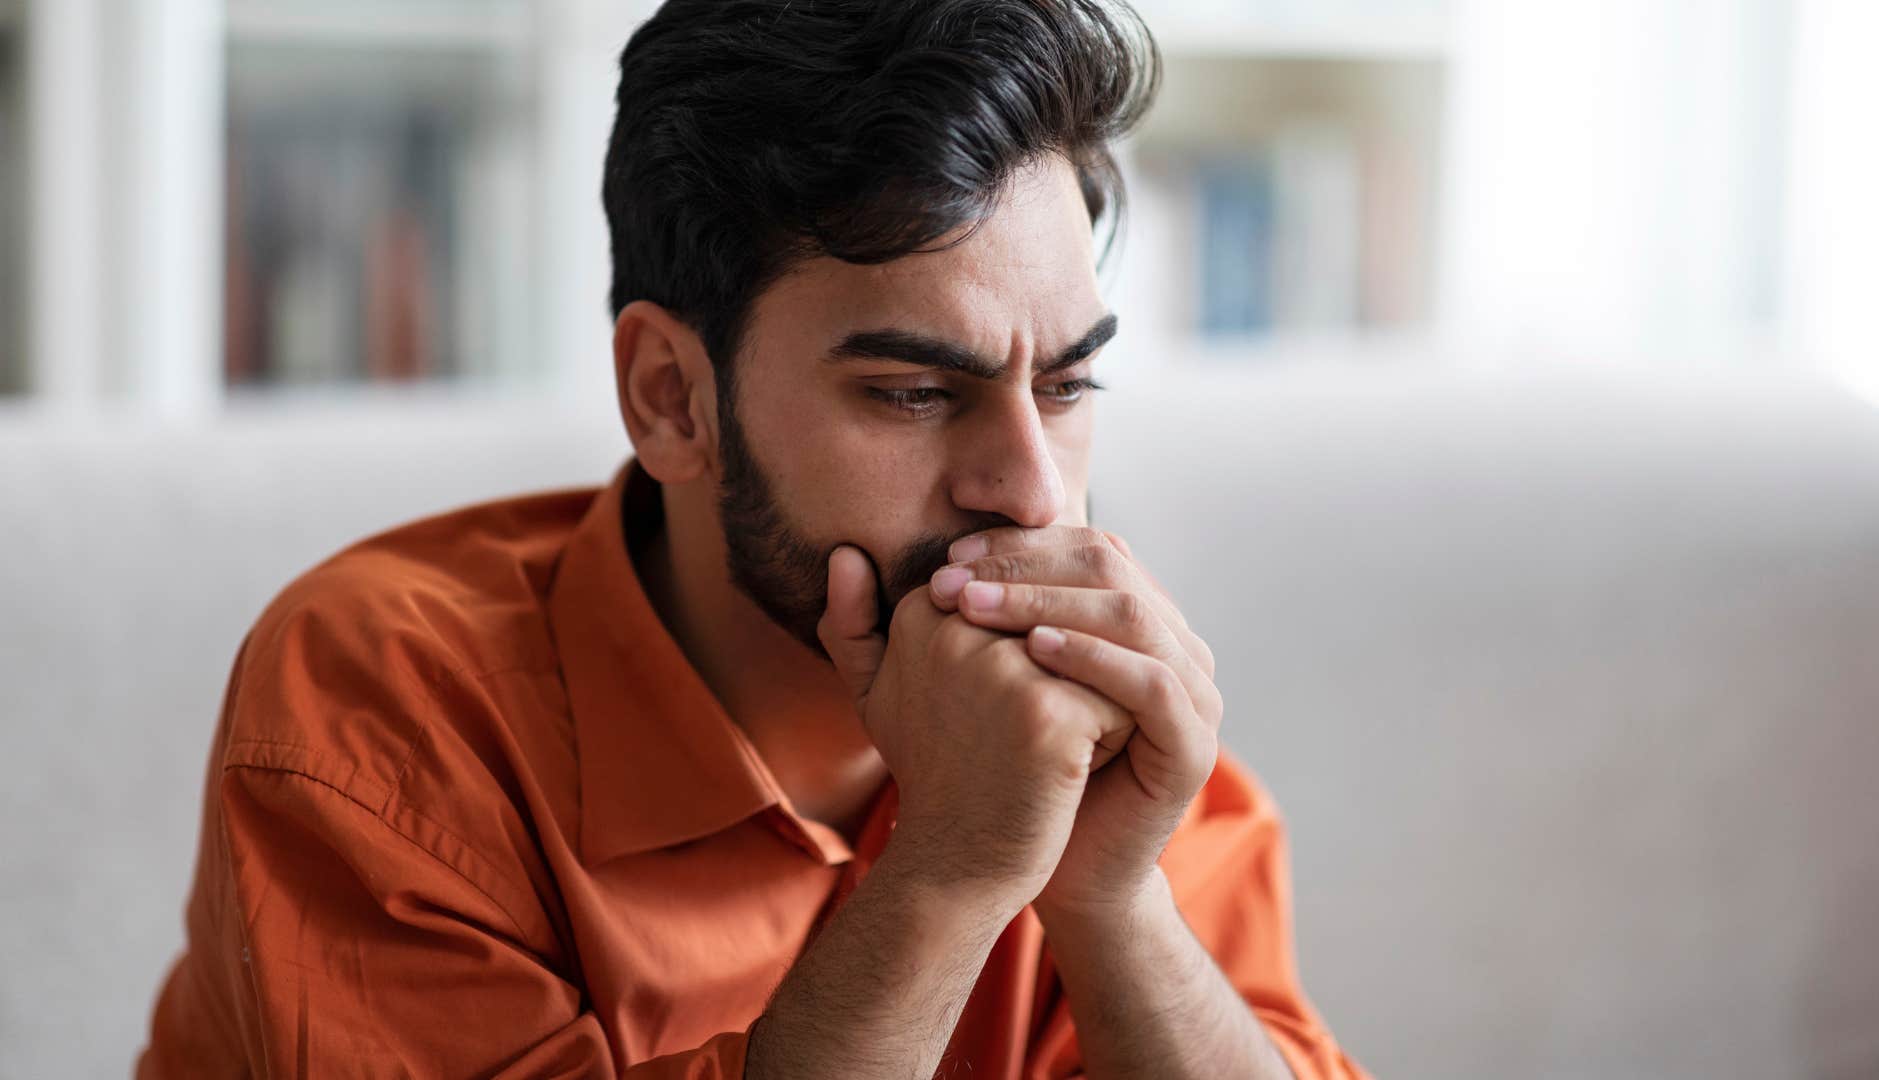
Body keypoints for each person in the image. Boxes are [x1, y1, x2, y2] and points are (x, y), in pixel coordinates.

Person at [137, 1, 1368, 1076]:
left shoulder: (1094, 713)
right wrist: (949, 876)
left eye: (1062, 387)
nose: (1033, 496)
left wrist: (1113, 906)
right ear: (672, 397)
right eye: (914, 394)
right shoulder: (380, 714)